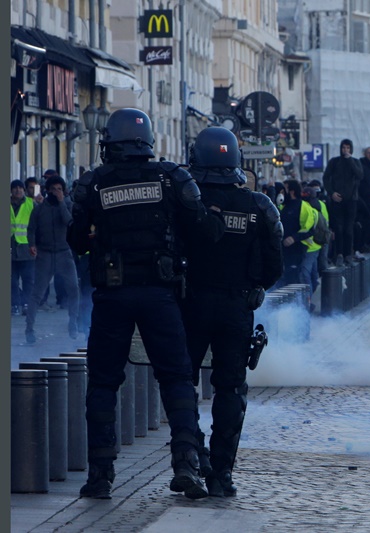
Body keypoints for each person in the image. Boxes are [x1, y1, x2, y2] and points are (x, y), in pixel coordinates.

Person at [69, 108, 225, 500]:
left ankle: (100, 475)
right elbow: (204, 231)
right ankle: (186, 461)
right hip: (160, 295)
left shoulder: (94, 183)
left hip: (112, 296)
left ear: (110, 143)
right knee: (177, 379)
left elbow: (76, 242)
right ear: (148, 141)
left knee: (103, 383)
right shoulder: (171, 178)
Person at [183, 127, 284, 497]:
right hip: (237, 307)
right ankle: (222, 474)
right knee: (230, 389)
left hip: (190, 304)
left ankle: (196, 457)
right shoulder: (259, 206)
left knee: (181, 384)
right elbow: (275, 263)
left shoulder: (186, 203)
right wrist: (254, 288)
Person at [25, 173, 80, 343]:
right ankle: (29, 329)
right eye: (53, 189)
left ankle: (73, 323)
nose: (56, 192)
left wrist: (62, 201)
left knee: (74, 289)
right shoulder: (40, 209)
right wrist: (32, 244)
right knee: (37, 293)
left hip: (64, 253)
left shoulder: (68, 205)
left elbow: (68, 222)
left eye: (59, 189)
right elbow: (31, 228)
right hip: (45, 255)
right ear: (47, 190)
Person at [323, 139, 363, 262]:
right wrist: (331, 193)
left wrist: (350, 160)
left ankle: (348, 254)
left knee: (348, 229)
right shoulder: (334, 162)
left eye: (347, 148)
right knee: (339, 228)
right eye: (343, 148)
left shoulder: (355, 162)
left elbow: (360, 175)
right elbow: (326, 178)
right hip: (337, 200)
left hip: (351, 200)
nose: (345, 150)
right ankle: (339, 253)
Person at [276, 179, 315, 287]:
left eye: (284, 190)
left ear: (292, 191)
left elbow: (310, 229)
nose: (282, 194)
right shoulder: (283, 206)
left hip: (297, 248)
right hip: (283, 249)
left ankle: (296, 302)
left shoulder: (304, 206)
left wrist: (294, 238)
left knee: (294, 277)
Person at [11, 179, 35, 316]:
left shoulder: (31, 204)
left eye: (20, 188)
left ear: (24, 190)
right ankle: (14, 304)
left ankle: (26, 304)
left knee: (28, 279)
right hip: (11, 248)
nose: (18, 190)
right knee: (11, 280)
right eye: (15, 188)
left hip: (27, 248)